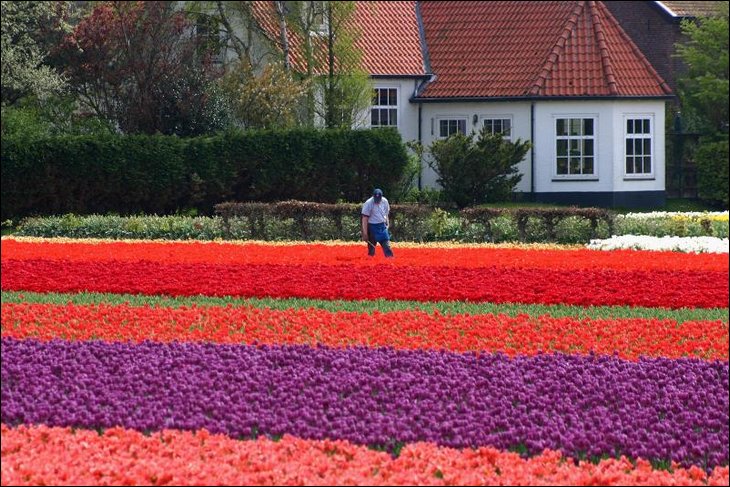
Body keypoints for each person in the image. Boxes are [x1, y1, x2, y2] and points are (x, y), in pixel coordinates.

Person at [361, 188, 394, 257]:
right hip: (372, 226)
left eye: (379, 199)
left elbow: (386, 213)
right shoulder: (368, 203)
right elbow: (364, 219)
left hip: (382, 226)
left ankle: (390, 259)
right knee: (372, 246)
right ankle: (370, 260)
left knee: (386, 243)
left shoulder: (385, 201)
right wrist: (365, 233)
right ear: (373, 196)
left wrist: (387, 223)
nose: (377, 201)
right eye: (376, 199)